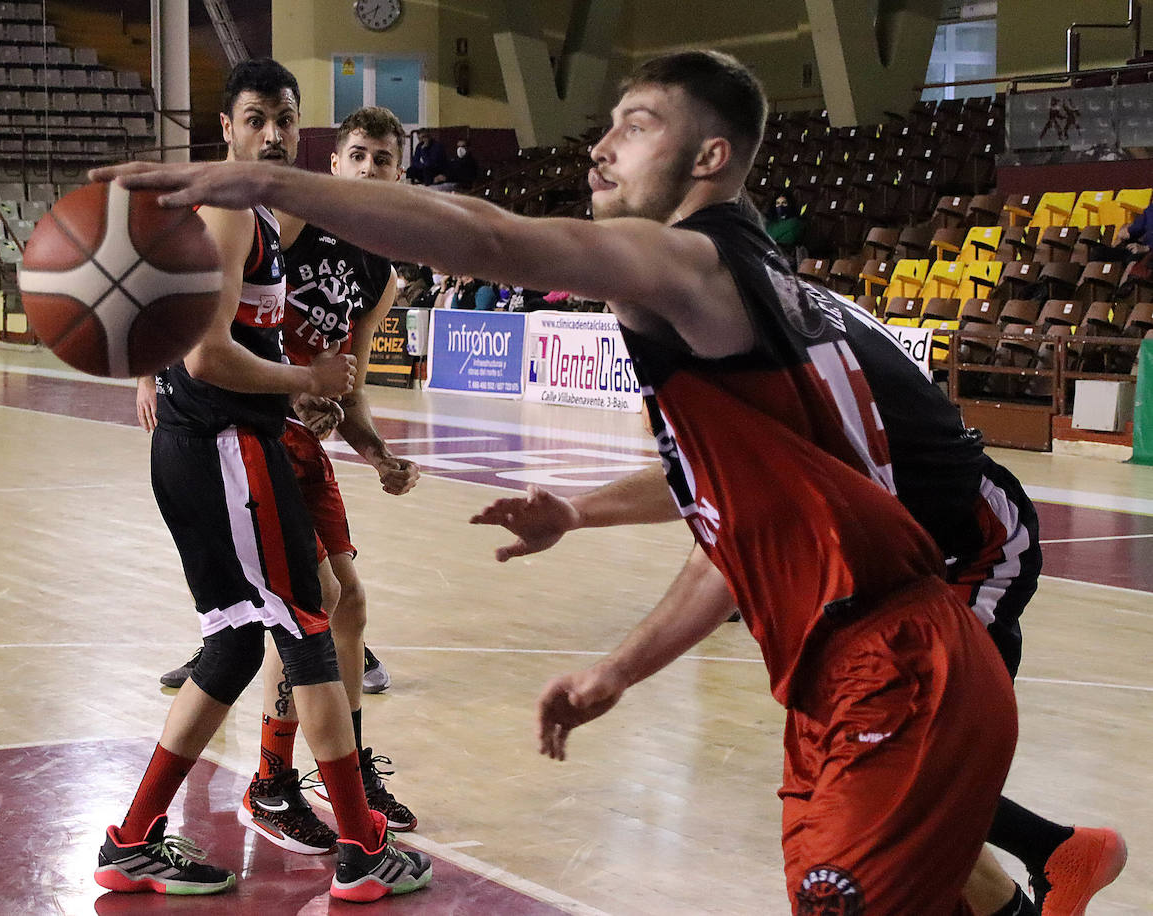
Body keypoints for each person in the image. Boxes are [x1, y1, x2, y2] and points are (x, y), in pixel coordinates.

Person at [95, 49, 1021, 912]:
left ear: (710, 156)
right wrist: (609, 635)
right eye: (607, 122)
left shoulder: (692, 262)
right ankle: (1041, 877)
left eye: (639, 124)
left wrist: (261, 177)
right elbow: (725, 521)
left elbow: (495, 240)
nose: (604, 144)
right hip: (850, 651)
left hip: (903, 641)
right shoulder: (739, 300)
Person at [468, 284, 1128, 916]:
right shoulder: (737, 307)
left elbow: (736, 522)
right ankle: (1054, 860)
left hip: (962, 546)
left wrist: (617, 668)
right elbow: (713, 480)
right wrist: (579, 514)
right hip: (879, 557)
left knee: (902, 772)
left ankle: (1060, 854)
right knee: (898, 781)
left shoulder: (744, 341)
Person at [94, 59, 430, 903]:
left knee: (243, 642)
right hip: (224, 442)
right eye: (257, 119)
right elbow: (209, 354)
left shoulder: (274, 228)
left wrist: (323, 398)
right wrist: (299, 383)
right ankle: (359, 847)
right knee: (309, 632)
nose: (273, 133)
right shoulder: (238, 211)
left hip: (218, 443)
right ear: (228, 126)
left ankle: (131, 842)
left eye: (285, 117)